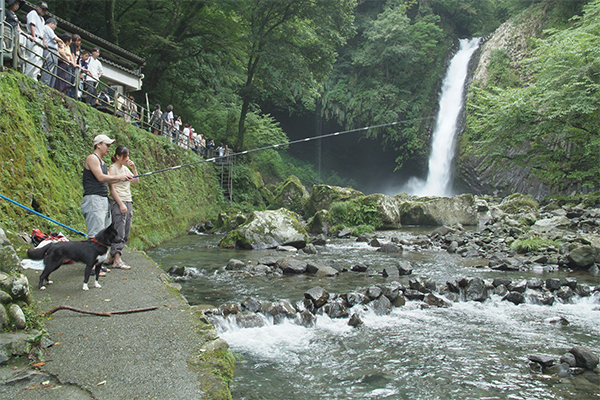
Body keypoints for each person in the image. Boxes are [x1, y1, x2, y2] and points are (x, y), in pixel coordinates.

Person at [81, 134, 132, 244]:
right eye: (107, 145)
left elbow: (108, 180)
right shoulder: (92, 158)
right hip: (94, 199)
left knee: (104, 234)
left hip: (103, 200)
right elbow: (100, 177)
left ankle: (100, 259)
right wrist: (119, 177)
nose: (109, 148)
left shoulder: (102, 162)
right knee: (95, 234)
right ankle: (92, 259)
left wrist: (123, 177)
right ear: (98, 145)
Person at [108, 146, 139, 270]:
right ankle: (117, 259)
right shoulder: (113, 168)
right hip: (118, 201)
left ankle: (113, 256)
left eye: (128, 156)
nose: (127, 158)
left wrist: (134, 168)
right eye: (125, 156)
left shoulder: (125, 168)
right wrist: (120, 204)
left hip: (128, 200)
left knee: (126, 230)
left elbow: (135, 182)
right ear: (118, 157)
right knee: (119, 230)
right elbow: (112, 188)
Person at [24, 1, 48, 81]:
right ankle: (27, 75)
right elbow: (32, 24)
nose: (43, 11)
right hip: (34, 37)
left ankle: (33, 77)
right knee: (33, 58)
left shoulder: (42, 19)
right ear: (37, 7)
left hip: (40, 40)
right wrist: (33, 36)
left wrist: (44, 43)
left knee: (38, 60)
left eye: (45, 10)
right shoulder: (33, 13)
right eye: (42, 9)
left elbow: (43, 32)